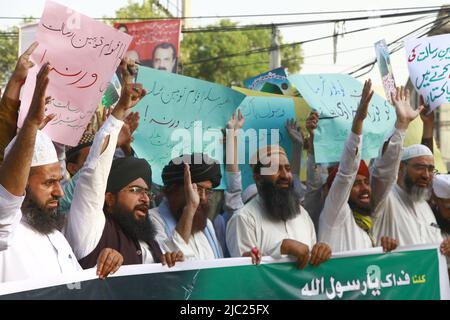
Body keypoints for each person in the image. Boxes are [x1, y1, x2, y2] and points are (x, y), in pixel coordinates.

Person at [0, 63, 121, 282]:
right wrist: (31, 123)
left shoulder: (56, 236)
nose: (60, 192)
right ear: (21, 184)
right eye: (48, 183)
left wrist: (103, 265)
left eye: (59, 181)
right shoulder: (6, 232)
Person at [65, 59, 183, 269]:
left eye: (147, 192)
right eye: (136, 190)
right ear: (108, 198)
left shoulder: (150, 239)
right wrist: (118, 112)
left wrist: (167, 265)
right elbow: (94, 171)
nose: (145, 198)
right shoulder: (92, 228)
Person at [318, 81, 411, 253]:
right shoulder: (335, 214)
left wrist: (401, 126)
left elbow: (387, 175)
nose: (365, 188)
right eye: (356, 184)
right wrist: (358, 122)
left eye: (366, 182)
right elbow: (346, 173)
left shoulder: (368, 223)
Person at [226, 145, 331, 269]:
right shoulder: (243, 219)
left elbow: (312, 263)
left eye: (288, 169)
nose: (285, 175)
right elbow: (244, 274)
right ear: (258, 178)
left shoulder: (302, 214)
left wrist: (321, 251)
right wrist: (281, 248)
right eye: (276, 169)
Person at [372, 88, 448, 253]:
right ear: (401, 168)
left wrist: (446, 248)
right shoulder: (385, 198)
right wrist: (402, 125)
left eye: (430, 169)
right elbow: (383, 170)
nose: (426, 175)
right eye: (419, 168)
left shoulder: (424, 206)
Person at [149, 154, 223, 260]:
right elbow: (168, 262)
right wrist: (190, 208)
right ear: (174, 189)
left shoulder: (207, 226)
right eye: (196, 188)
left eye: (207, 191)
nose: (202, 197)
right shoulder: (153, 220)